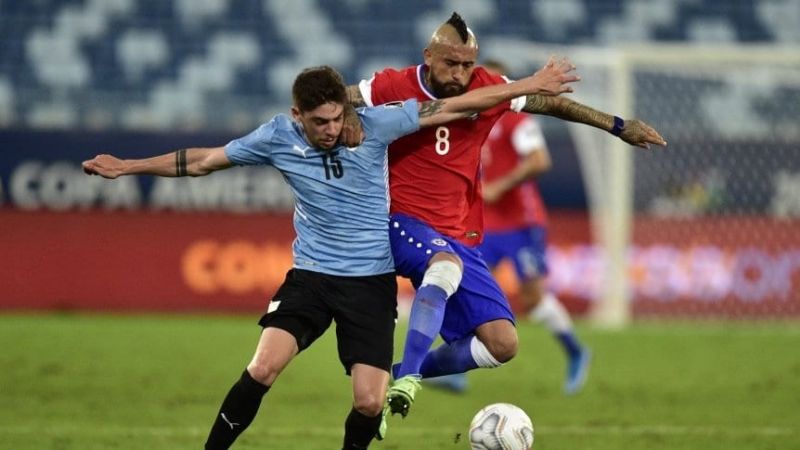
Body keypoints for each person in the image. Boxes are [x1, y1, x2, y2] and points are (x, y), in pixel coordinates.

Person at [82, 63, 579, 449]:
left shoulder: (376, 125)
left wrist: (527, 84)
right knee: (262, 367)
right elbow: (204, 161)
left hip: (370, 282)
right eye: (320, 122)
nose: (332, 129)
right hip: (311, 277)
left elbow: (456, 107)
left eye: (338, 117)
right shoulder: (276, 136)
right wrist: (127, 166)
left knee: (369, 401)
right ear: (297, 115)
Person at [344, 12, 666, 418]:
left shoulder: (488, 88)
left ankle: (392, 374)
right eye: (451, 63)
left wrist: (617, 125)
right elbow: (341, 96)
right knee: (443, 267)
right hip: (401, 222)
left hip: (459, 233)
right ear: (429, 56)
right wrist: (331, 118)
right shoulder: (392, 84)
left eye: (468, 65)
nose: (461, 73)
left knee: (502, 343)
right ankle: (407, 379)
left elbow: (551, 103)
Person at [428, 59, 591, 396]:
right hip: (483, 224)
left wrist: (500, 186)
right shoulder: (468, 118)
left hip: (521, 223)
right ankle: (458, 372)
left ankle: (576, 351)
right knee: (463, 292)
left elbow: (539, 160)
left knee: (532, 298)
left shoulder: (516, 119)